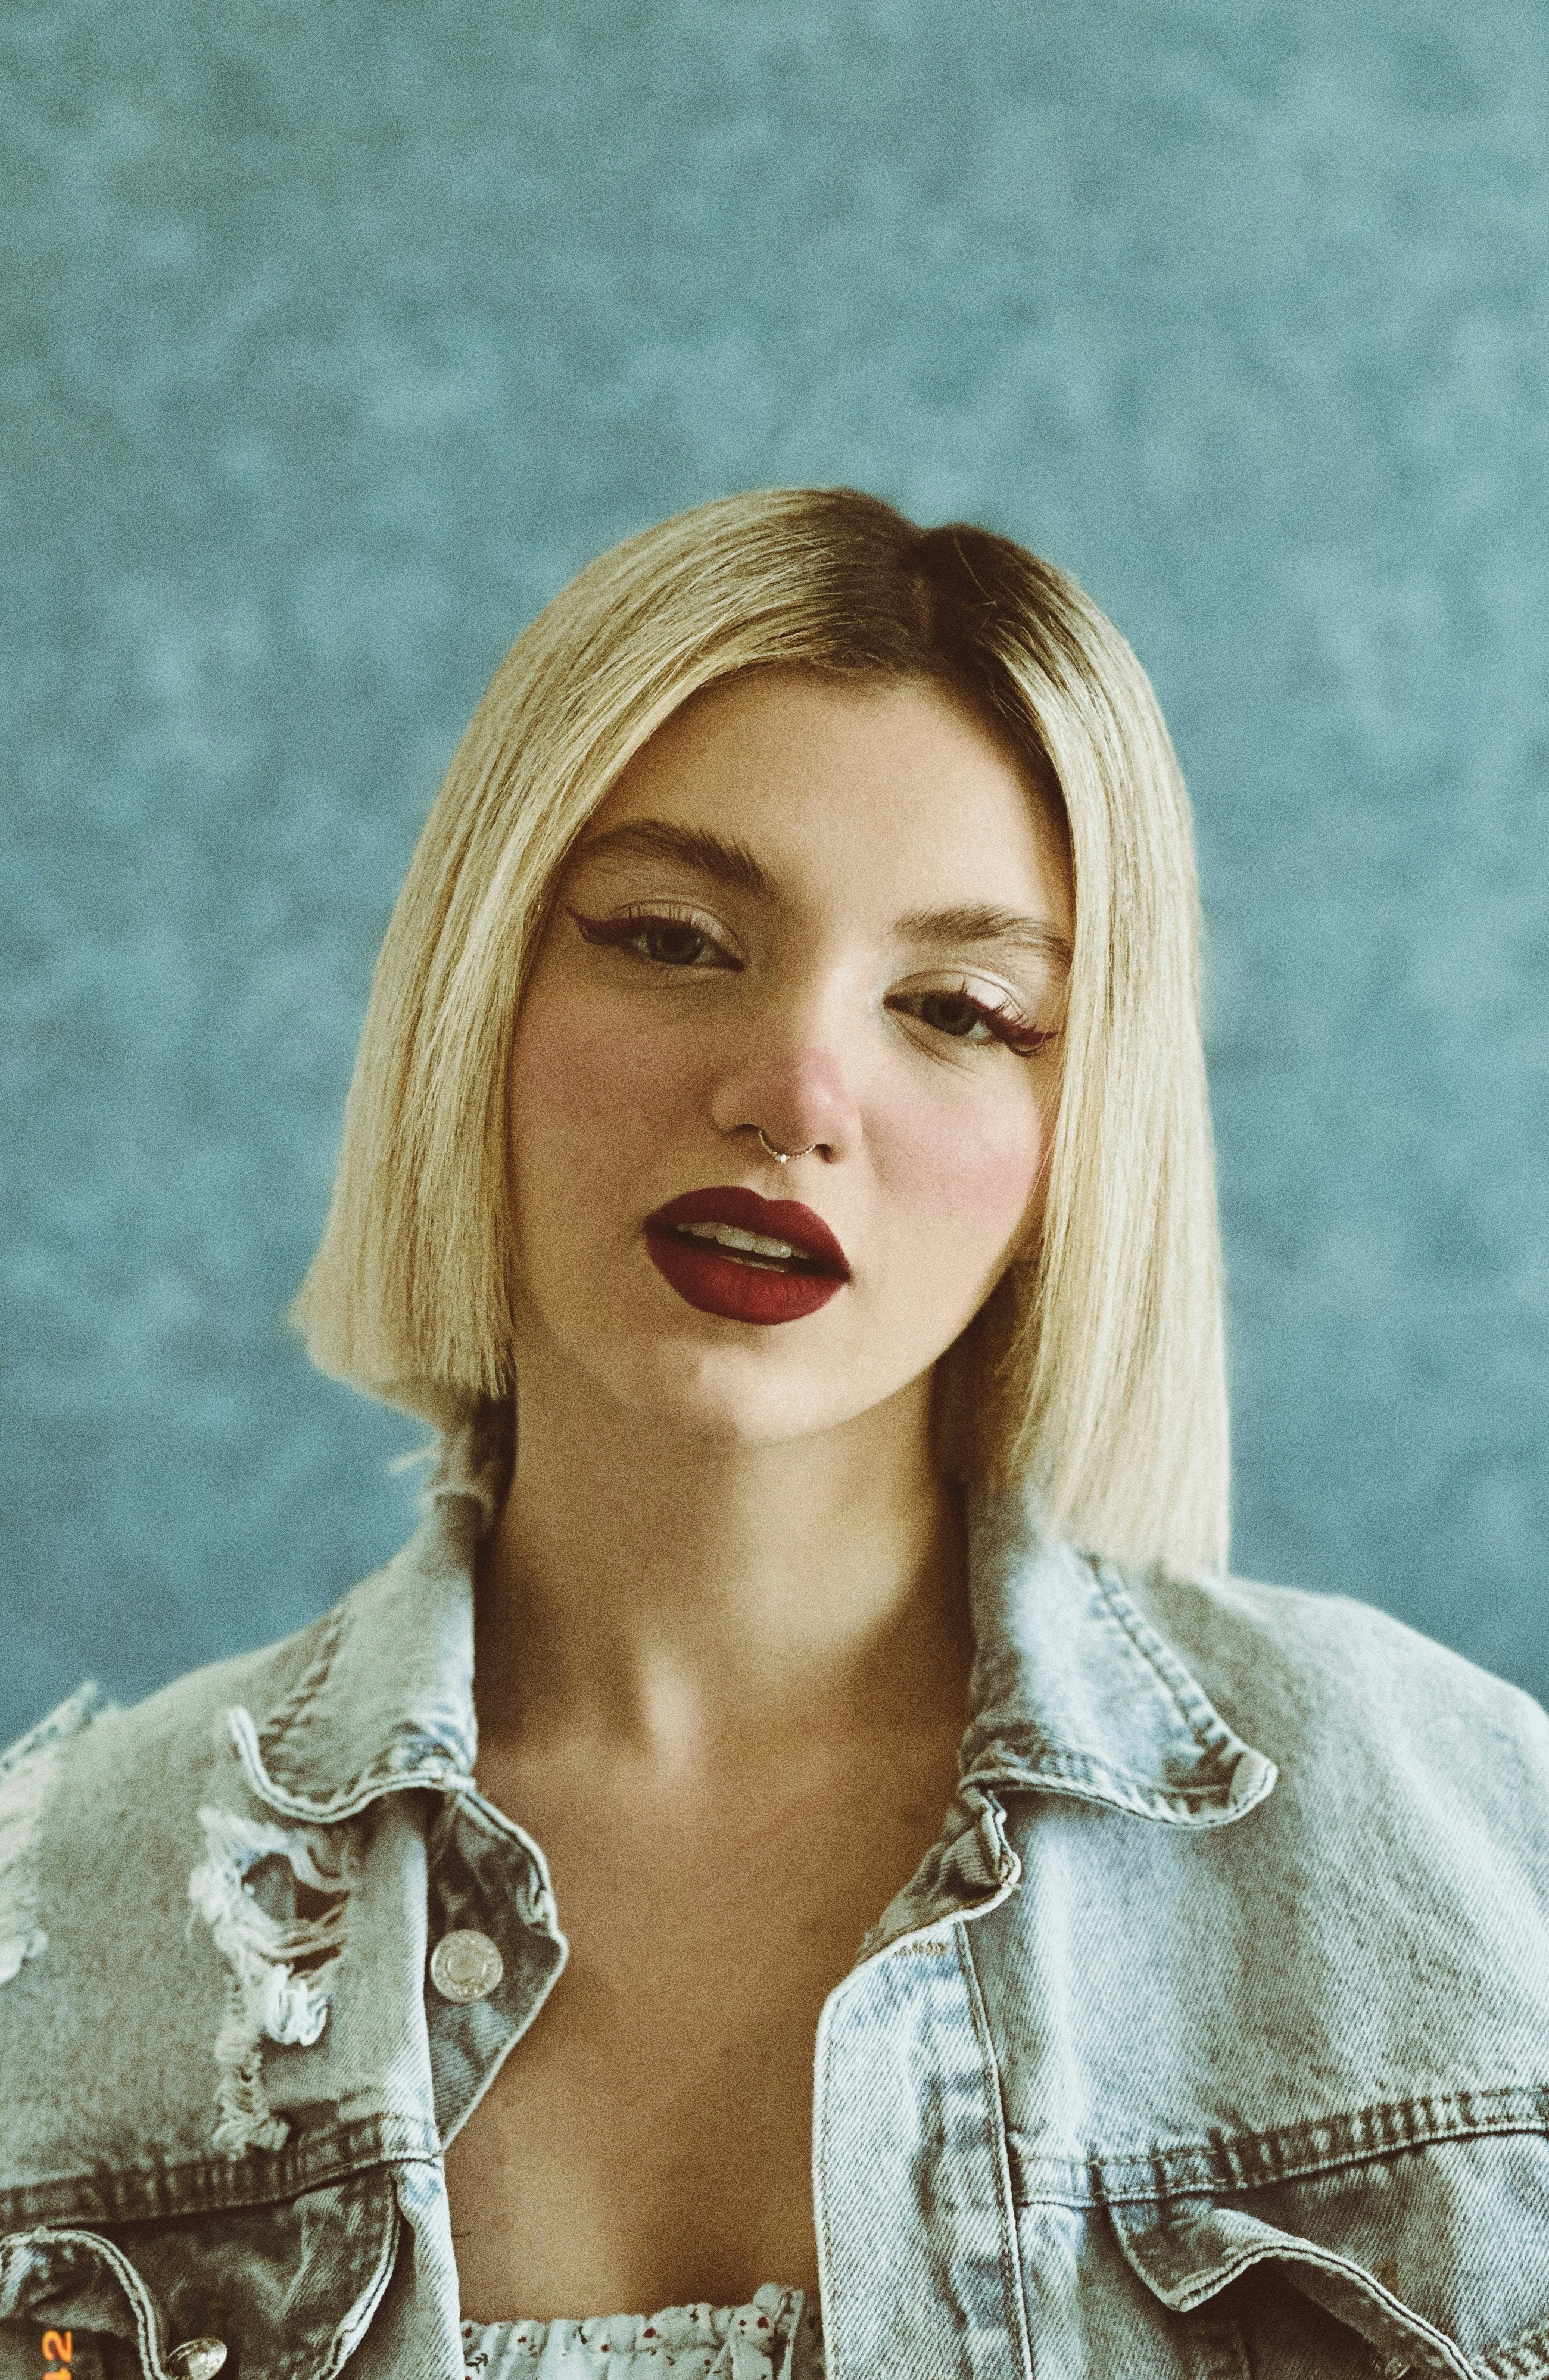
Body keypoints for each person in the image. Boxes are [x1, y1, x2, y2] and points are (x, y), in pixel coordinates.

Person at [2, 489, 1547, 2380]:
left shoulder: (1477, 1850)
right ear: (481, 988)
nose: (796, 1089)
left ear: (1080, 1138)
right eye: (669, 936)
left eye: (962, 1009)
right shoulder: (60, 1928)